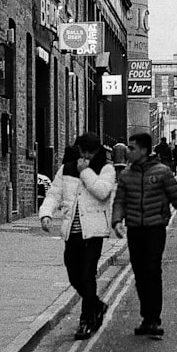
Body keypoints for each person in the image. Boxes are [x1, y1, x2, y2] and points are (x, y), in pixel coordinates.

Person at [112, 132, 177, 338]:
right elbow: (120, 201)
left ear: (142, 150)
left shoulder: (163, 172)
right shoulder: (126, 175)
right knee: (140, 273)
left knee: (152, 270)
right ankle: (146, 317)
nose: (128, 152)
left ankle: (154, 320)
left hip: (155, 228)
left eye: (132, 148)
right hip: (134, 229)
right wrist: (116, 221)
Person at [39, 133, 116, 340]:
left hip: (94, 232)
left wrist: (86, 173)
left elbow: (102, 192)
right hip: (71, 232)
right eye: (83, 151)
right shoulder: (66, 169)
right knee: (74, 275)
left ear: (97, 151)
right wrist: (46, 214)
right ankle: (97, 305)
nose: (86, 155)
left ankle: (86, 320)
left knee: (87, 274)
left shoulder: (106, 169)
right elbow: (54, 194)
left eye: (91, 152)